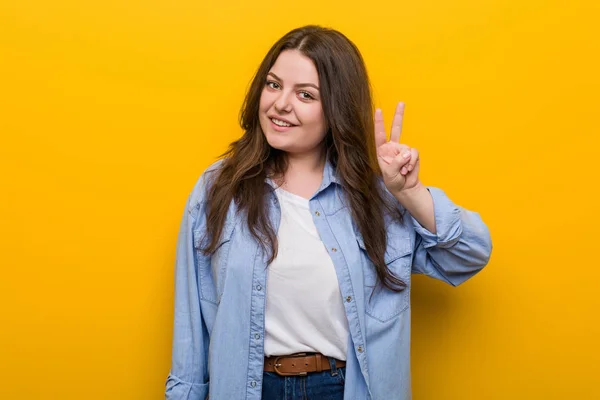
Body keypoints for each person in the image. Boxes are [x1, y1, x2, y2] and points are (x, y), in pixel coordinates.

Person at [165, 25, 492, 400]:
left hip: (345, 388)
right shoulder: (219, 189)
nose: (280, 104)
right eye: (273, 85)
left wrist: (410, 192)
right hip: (248, 388)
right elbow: (191, 324)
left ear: (336, 108)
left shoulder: (377, 199)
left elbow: (469, 254)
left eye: (305, 94)